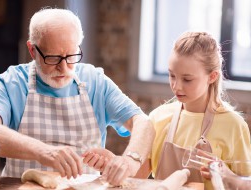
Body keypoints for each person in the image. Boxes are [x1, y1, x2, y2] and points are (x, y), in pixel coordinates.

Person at [0, 8, 155, 180]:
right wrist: (44, 152)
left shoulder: (95, 81)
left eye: (71, 56)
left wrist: (130, 162)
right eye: (53, 58)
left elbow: (143, 123)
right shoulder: (13, 82)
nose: (64, 68)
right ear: (32, 50)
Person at [83, 31, 251, 188]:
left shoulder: (233, 125)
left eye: (187, 79)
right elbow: (135, 182)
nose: (176, 86)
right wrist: (113, 165)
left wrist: (227, 175)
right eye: (172, 76)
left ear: (212, 77)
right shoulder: (158, 118)